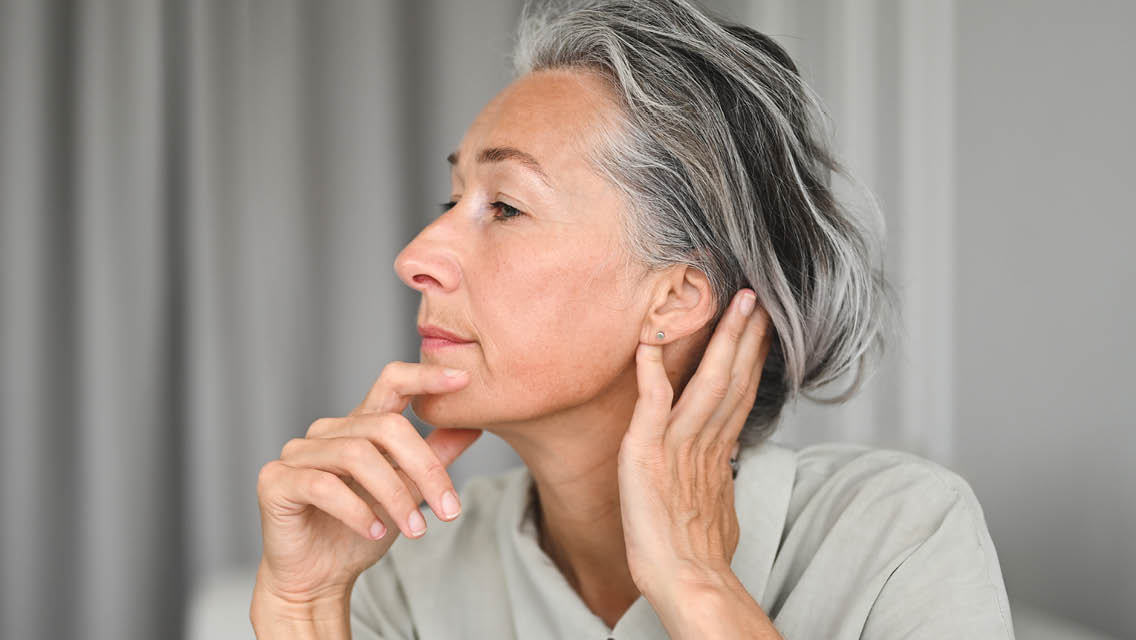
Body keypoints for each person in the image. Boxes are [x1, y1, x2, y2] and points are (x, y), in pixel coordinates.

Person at [250, 0, 1015, 637]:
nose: (416, 254)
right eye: (452, 201)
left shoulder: (895, 535)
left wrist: (697, 583)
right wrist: (304, 605)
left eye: (505, 207)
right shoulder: (406, 567)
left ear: (675, 299)